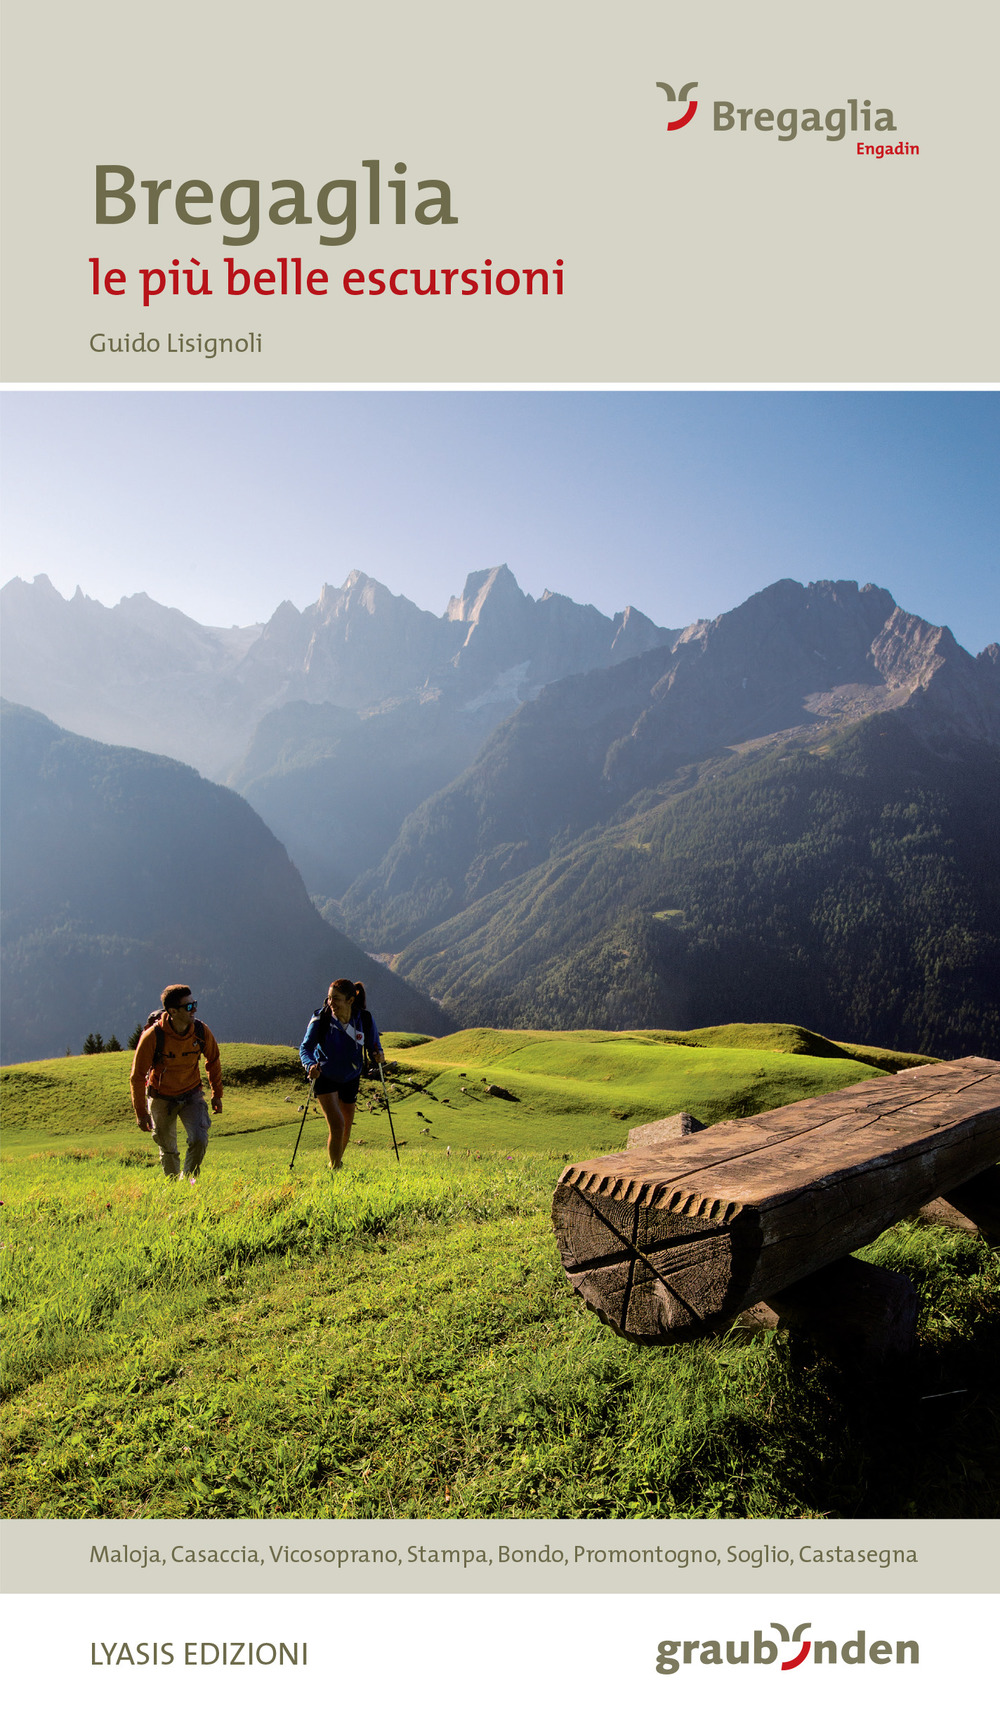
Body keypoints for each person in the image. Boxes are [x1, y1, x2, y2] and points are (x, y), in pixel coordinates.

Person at [130, 984, 223, 1180]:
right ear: (172, 1011)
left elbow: (213, 1059)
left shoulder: (200, 1030)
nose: (194, 1009)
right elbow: (137, 1077)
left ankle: (188, 1181)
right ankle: (173, 1187)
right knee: (168, 1147)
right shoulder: (153, 1037)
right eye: (188, 1007)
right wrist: (141, 1113)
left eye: (194, 1004)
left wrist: (217, 1094)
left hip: (192, 1094)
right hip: (161, 1097)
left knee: (199, 1139)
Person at [299, 979, 385, 1169]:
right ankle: (336, 1168)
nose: (331, 1003)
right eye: (329, 998)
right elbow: (305, 1048)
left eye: (336, 999)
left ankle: (335, 1163)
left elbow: (374, 1045)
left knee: (345, 1128)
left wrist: (378, 1055)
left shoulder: (364, 1019)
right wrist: (310, 1065)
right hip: (324, 1076)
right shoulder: (321, 1019)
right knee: (337, 1125)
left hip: (351, 1077)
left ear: (350, 1000)